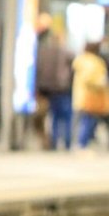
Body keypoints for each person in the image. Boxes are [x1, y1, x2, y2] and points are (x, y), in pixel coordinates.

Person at [34, 15, 75, 151]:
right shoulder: (67, 52)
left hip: (49, 88)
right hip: (63, 88)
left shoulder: (44, 51)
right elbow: (72, 68)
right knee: (67, 116)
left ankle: (54, 142)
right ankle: (67, 143)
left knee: (55, 116)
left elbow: (39, 69)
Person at [72, 41, 109, 149]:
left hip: (81, 95)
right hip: (91, 96)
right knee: (88, 121)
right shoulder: (94, 62)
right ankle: (82, 143)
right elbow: (93, 78)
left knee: (83, 120)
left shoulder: (80, 60)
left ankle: (80, 142)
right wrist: (102, 82)